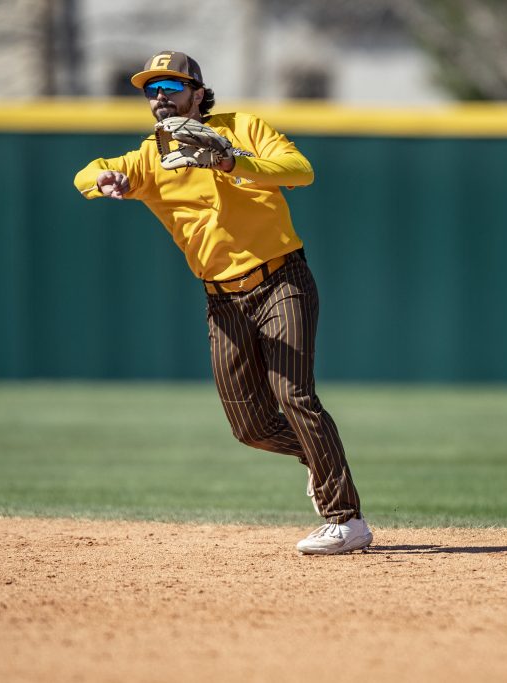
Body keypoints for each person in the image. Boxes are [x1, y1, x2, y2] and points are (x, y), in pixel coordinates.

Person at [73, 51, 371, 555]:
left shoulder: (241, 127)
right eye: (151, 88)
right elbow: (91, 171)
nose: (160, 96)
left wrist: (230, 160)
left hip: (281, 279)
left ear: (197, 91)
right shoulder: (150, 156)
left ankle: (347, 520)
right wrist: (105, 181)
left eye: (171, 84)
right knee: (249, 427)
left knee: (295, 395)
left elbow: (301, 171)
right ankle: (321, 461)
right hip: (223, 302)